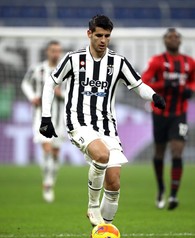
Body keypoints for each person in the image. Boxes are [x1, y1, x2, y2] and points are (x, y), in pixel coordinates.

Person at [39, 15, 165, 225]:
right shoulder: (73, 59)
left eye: (107, 36)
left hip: (107, 127)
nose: (103, 40)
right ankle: (92, 206)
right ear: (89, 34)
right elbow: (50, 84)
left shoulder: (118, 62)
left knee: (114, 182)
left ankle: (104, 228)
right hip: (78, 122)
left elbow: (138, 85)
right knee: (102, 155)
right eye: (98, 35)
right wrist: (46, 116)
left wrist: (153, 96)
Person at [142, 28, 195, 210]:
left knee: (177, 151)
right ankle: (161, 188)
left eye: (176, 37)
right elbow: (144, 82)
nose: (174, 39)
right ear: (164, 40)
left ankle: (173, 195)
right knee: (159, 153)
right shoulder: (157, 61)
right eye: (170, 37)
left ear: (180, 41)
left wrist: (191, 88)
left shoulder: (189, 62)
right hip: (160, 114)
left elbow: (193, 81)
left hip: (179, 114)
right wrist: (163, 84)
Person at [21, 41, 65, 203]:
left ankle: (51, 181)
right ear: (47, 51)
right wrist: (32, 96)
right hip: (41, 116)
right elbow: (25, 83)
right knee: (46, 149)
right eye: (53, 50)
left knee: (55, 153)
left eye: (58, 51)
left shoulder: (65, 70)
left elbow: (73, 93)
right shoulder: (37, 69)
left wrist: (61, 95)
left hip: (60, 118)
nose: (56, 54)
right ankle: (47, 184)